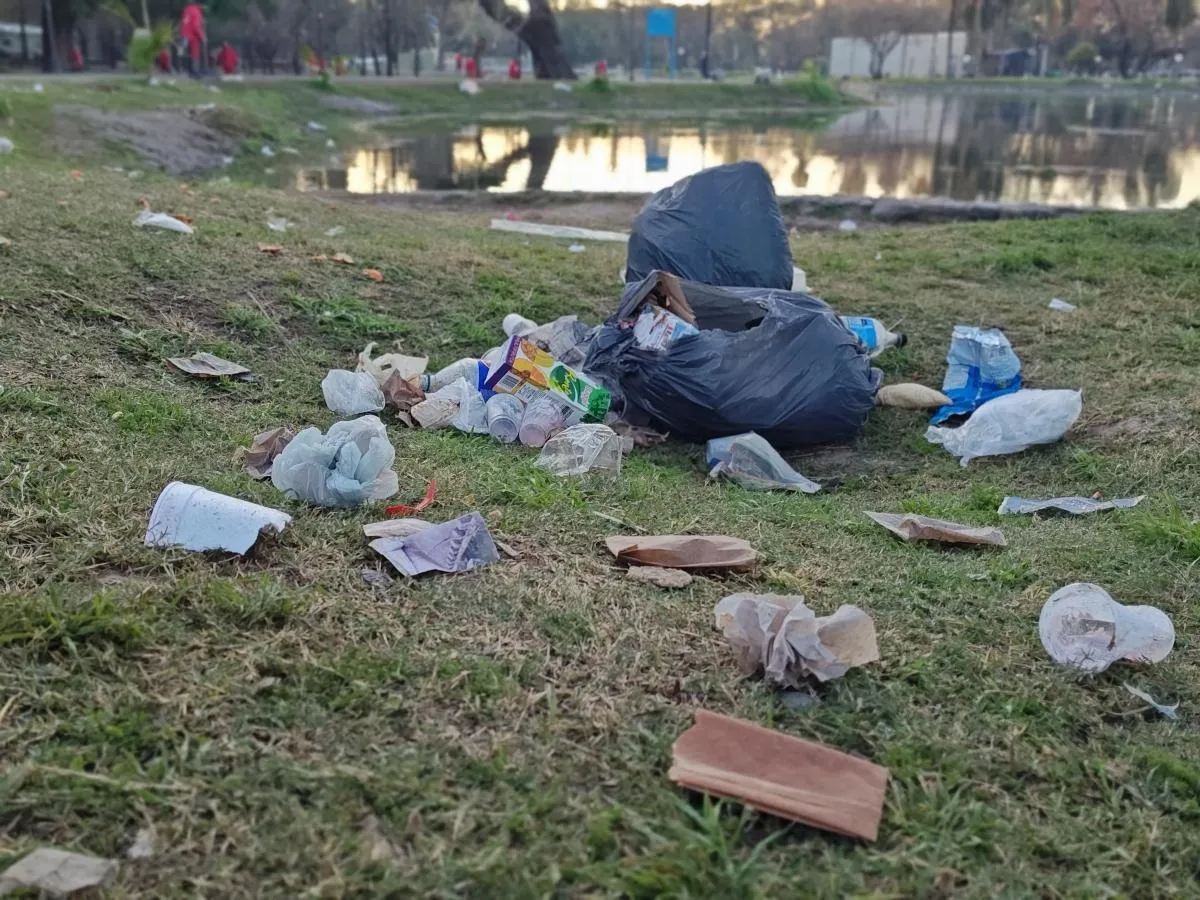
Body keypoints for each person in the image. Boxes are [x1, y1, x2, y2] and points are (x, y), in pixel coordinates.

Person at [180, 1, 206, 76]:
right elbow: (196, 26)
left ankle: (183, 70)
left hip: (184, 34)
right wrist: (202, 36)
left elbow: (184, 22)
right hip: (193, 36)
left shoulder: (187, 9)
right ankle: (195, 72)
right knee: (195, 54)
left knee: (183, 53)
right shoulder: (196, 12)